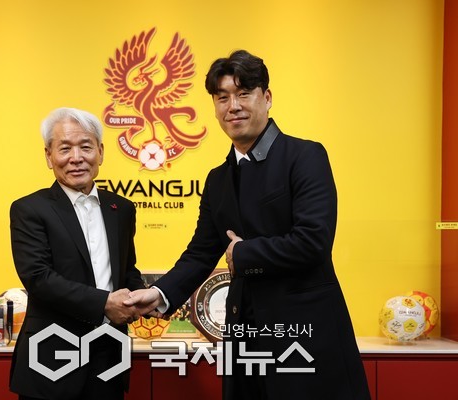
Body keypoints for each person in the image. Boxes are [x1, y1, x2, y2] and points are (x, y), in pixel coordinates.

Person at [125, 50, 371, 399]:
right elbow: (200, 253)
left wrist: (243, 253)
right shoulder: (218, 179)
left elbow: (313, 241)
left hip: (304, 334)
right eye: (222, 97)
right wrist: (159, 294)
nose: (233, 106)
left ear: (266, 98)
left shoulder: (305, 156)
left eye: (244, 93)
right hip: (245, 336)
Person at [9, 107, 146, 400]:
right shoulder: (29, 209)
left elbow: (127, 270)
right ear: (49, 156)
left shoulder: (121, 209)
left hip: (108, 359)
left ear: (100, 152)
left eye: (85, 147)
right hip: (51, 358)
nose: (76, 158)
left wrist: (148, 298)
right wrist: (105, 303)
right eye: (65, 148)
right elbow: (38, 278)